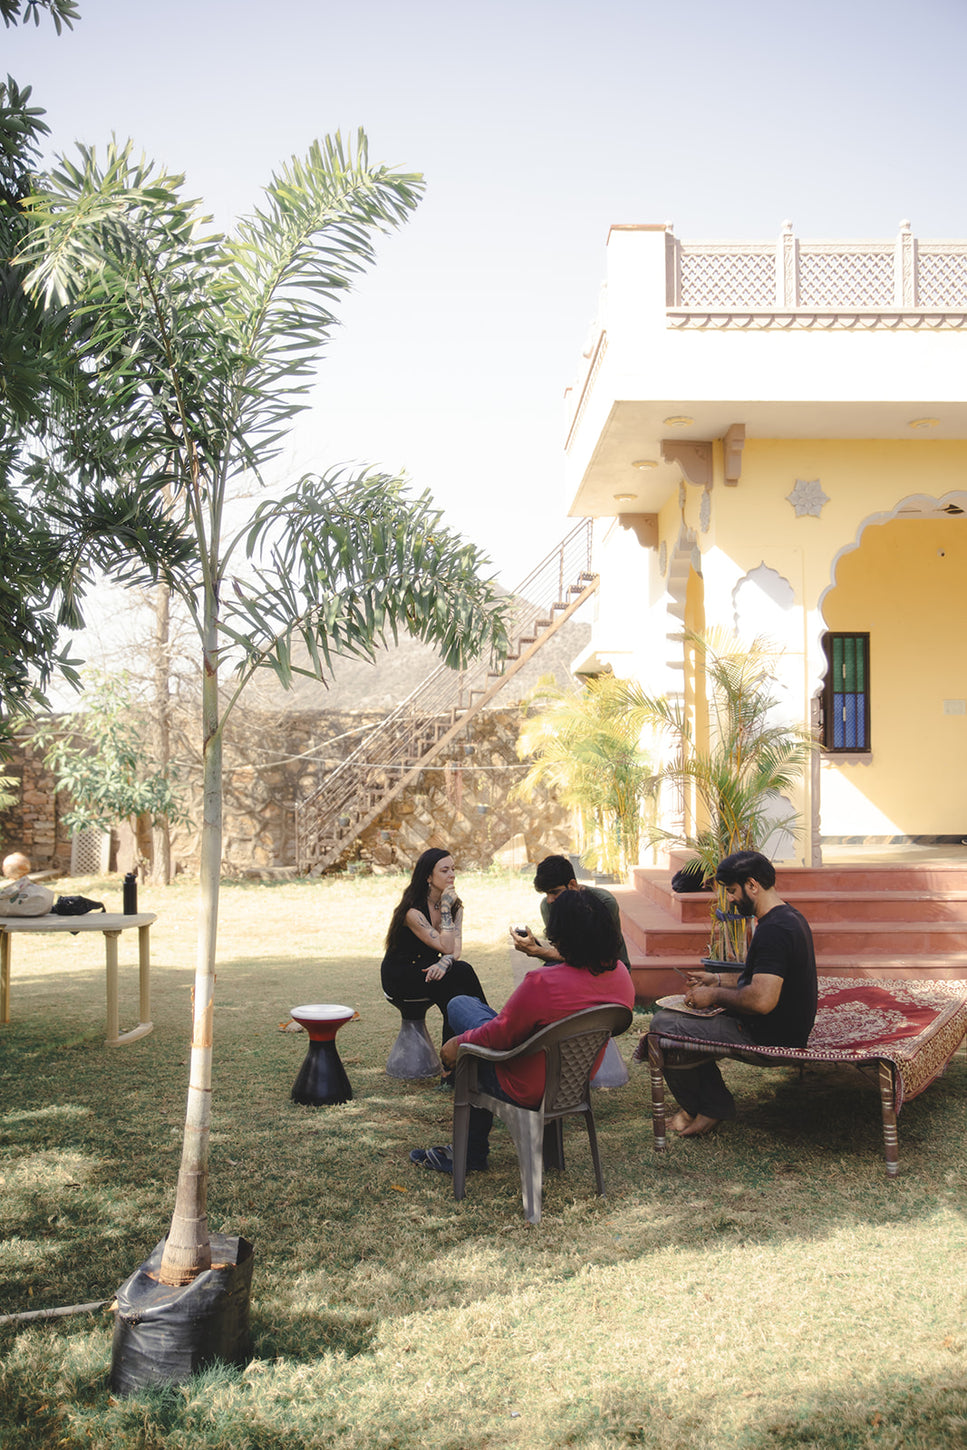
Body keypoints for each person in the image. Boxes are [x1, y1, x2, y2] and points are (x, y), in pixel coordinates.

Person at [410, 887, 635, 1173]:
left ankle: (470, 1155)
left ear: (559, 934)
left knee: (464, 1021)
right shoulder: (621, 976)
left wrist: (460, 1044)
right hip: (574, 1082)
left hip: (524, 1084)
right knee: (467, 1007)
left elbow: (500, 1038)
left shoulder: (543, 983)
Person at [647, 849, 817, 1138]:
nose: (731, 899)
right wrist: (716, 980)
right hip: (787, 1027)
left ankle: (710, 1107)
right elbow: (764, 978)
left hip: (769, 1034)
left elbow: (762, 1000)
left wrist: (713, 997)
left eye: (733, 891)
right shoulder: (788, 916)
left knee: (662, 1026)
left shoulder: (774, 931)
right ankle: (701, 1106)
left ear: (752, 885)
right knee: (677, 1019)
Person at [380, 848, 488, 1049]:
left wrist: (444, 962)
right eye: (445, 870)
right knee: (452, 985)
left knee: (462, 971)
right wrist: (445, 909)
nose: (452, 875)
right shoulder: (413, 911)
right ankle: (464, 1052)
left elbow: (455, 951)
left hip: (432, 968)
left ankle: (483, 1034)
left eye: (453, 869)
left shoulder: (456, 906)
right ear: (428, 876)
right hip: (401, 974)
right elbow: (446, 945)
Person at [510, 853, 630, 968]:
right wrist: (536, 946)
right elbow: (562, 952)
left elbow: (598, 957)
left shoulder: (604, 903)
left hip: (608, 969)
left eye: (554, 892)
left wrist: (539, 952)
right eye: (546, 893)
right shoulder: (548, 907)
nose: (549, 900)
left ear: (572, 884)